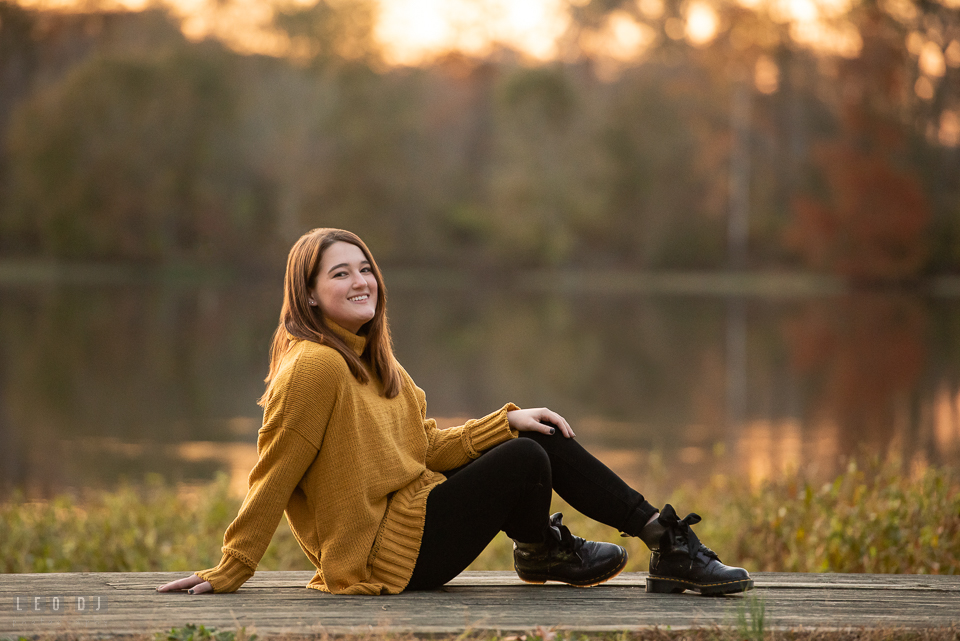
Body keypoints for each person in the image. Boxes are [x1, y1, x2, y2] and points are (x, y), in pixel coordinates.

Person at [157, 228, 752, 597]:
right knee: (526, 457)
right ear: (308, 294)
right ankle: (582, 547)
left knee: (530, 435)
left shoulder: (379, 365)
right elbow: (274, 471)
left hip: (416, 528)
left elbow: (423, 448)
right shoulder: (315, 366)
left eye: (366, 269)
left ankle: (597, 544)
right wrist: (232, 567)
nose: (361, 281)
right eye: (340, 273)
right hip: (384, 559)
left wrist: (505, 420)